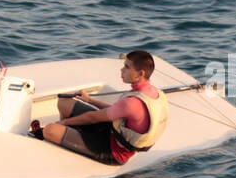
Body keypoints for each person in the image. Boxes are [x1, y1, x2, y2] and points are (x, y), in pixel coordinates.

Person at [35, 50, 168, 165]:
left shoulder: (132, 102)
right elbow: (116, 110)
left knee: (50, 130)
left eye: (127, 67)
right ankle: (66, 135)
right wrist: (90, 100)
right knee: (64, 102)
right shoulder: (153, 93)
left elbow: (93, 117)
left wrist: (63, 123)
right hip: (112, 131)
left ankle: (61, 134)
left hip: (113, 152)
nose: (122, 70)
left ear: (140, 74)